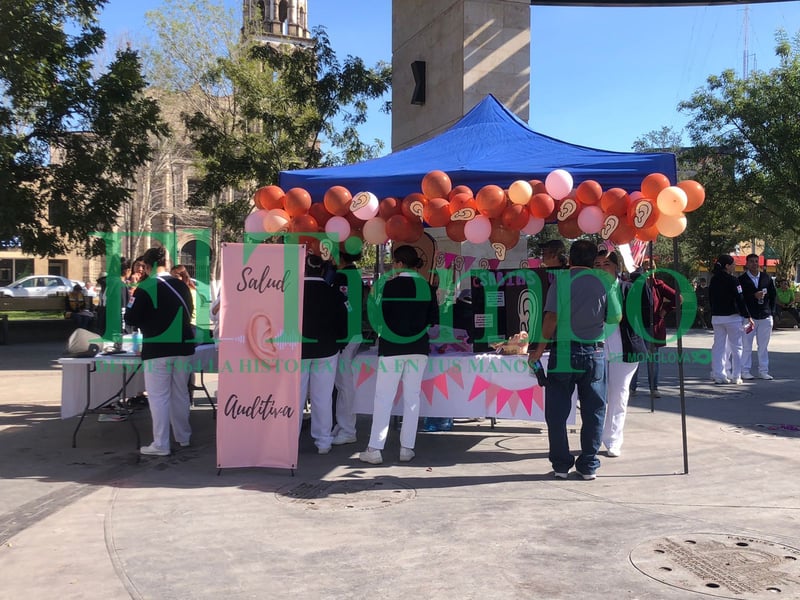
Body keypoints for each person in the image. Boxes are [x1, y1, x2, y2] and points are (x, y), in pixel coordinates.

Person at [527, 240, 613, 480]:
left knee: (557, 411)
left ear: (571, 259)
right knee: (594, 410)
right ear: (592, 260)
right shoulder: (604, 282)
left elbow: (551, 318)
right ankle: (588, 465)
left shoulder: (562, 281)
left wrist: (538, 349)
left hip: (563, 352)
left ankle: (561, 465)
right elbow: (615, 315)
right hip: (595, 352)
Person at [359, 245, 439, 465]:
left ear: (399, 263)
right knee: (412, 398)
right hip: (418, 348)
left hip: (391, 347)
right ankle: (407, 448)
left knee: (383, 398)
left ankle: (375, 448)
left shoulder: (386, 286)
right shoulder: (427, 287)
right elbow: (434, 322)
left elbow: (374, 317)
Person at [124, 246, 195, 456]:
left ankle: (161, 444)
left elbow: (131, 318)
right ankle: (183, 437)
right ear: (166, 262)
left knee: (159, 397)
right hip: (184, 346)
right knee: (181, 393)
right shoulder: (182, 286)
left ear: (146, 266)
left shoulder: (145, 287)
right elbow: (189, 312)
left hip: (157, 348)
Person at [594, 250, 646, 458]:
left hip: (624, 350)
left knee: (618, 396)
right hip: (595, 350)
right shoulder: (588, 290)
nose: (601, 268)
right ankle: (594, 438)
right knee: (596, 398)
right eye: (596, 264)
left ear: (617, 267)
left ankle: (613, 440)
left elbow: (640, 317)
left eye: (605, 264)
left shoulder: (628, 288)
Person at [300, 254, 348, 454]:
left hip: (298, 351)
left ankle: (289, 439)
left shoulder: (293, 293)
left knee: (296, 396)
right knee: (323, 397)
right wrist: (340, 344)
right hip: (328, 350)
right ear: (323, 270)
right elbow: (344, 322)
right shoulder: (334, 294)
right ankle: (323, 441)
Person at [629, 260, 676, 398]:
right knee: (634, 357)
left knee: (652, 359)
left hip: (652, 326)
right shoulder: (634, 284)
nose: (649, 270)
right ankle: (632, 387)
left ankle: (653, 388)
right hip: (636, 325)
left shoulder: (658, 285)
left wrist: (664, 310)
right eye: (645, 268)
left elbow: (677, 297)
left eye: (651, 268)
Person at [709, 254, 753, 385]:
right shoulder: (733, 280)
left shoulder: (713, 280)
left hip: (717, 318)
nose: (735, 266)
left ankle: (719, 375)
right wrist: (747, 315)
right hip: (732, 318)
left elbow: (710, 299)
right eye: (733, 264)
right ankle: (736, 375)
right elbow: (740, 299)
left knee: (718, 347)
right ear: (727, 266)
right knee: (736, 347)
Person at [738, 254, 776, 380]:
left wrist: (771, 312)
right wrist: (753, 296)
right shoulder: (742, 279)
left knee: (763, 346)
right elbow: (740, 298)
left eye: (756, 261)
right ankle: (745, 370)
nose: (754, 264)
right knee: (746, 345)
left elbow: (772, 296)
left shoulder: (766, 278)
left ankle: (763, 370)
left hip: (765, 316)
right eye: (752, 262)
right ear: (747, 264)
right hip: (749, 317)